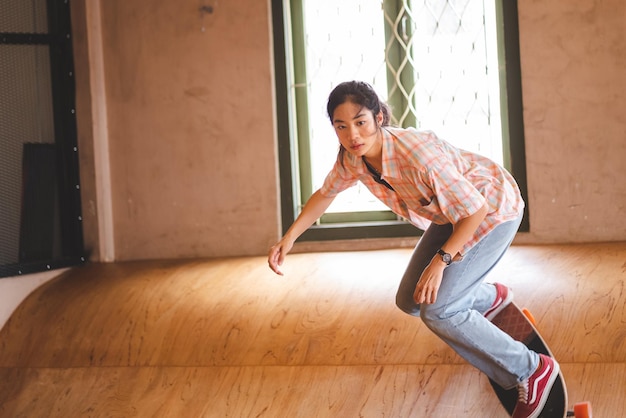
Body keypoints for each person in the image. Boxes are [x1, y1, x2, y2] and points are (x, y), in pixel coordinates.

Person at [267, 80, 558, 418]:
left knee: (440, 311)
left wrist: (441, 260)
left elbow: (475, 210)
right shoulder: (354, 159)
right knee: (410, 300)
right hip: (451, 215)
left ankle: (530, 370)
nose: (353, 135)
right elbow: (326, 193)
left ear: (378, 117)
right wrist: (290, 237)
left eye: (360, 122)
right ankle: (488, 297)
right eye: (341, 126)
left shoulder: (416, 155)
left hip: (491, 211)